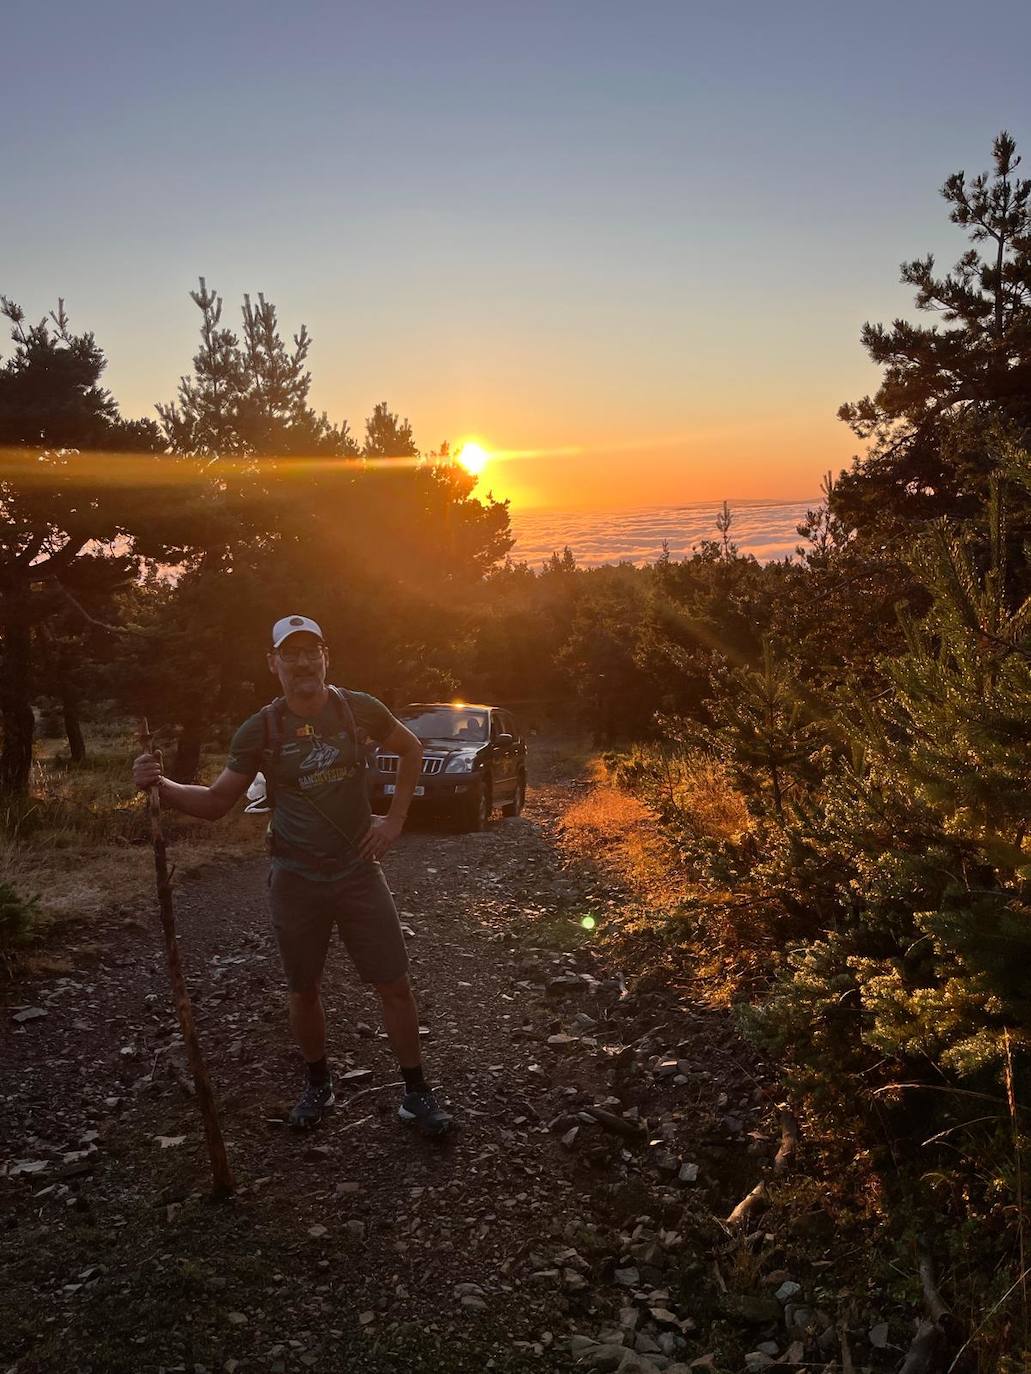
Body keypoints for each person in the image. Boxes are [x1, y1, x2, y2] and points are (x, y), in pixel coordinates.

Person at [132, 614, 452, 1135]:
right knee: (303, 989)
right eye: (291, 653)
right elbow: (216, 803)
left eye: (312, 651)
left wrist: (394, 821)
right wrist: (161, 785)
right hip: (295, 877)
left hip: (359, 872)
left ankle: (417, 1092)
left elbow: (411, 749)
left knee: (394, 983)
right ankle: (317, 1084)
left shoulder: (359, 709)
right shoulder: (261, 729)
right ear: (273, 662)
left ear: (327, 656)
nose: (303, 662)